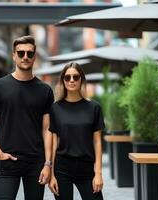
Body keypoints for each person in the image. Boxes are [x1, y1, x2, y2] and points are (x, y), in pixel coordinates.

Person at [0, 35, 54, 200]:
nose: (25, 57)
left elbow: (47, 129)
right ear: (13, 55)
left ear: (35, 56)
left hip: (36, 162)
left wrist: (48, 163)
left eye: (30, 53)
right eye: (21, 53)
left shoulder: (45, 90)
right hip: (7, 161)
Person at [48, 62, 105, 200]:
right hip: (62, 169)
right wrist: (52, 174)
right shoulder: (55, 108)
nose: (71, 80)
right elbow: (54, 142)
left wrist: (98, 173)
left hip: (86, 169)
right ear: (63, 81)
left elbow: (97, 142)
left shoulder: (94, 108)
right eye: (67, 77)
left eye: (75, 77)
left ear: (81, 80)